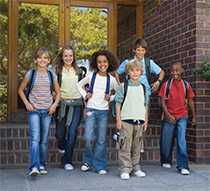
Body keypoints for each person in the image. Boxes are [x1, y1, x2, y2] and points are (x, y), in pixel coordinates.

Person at [18, 48, 60, 176]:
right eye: (40, 57)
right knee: (35, 139)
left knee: (44, 140)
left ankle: (42, 164)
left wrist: (54, 105)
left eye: (45, 58)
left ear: (48, 61)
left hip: (47, 111)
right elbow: (20, 90)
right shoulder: (30, 74)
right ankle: (34, 167)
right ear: (36, 60)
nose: (43, 60)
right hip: (34, 110)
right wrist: (27, 103)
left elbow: (58, 93)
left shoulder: (51, 74)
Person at [77, 50, 119, 175]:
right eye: (99, 62)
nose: (102, 64)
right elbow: (79, 85)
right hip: (91, 110)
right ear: (96, 64)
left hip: (103, 112)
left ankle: (99, 165)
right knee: (88, 137)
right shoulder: (91, 76)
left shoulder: (111, 79)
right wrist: (85, 95)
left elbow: (119, 92)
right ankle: (87, 161)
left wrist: (110, 98)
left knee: (101, 139)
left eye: (104, 62)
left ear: (108, 63)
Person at [159, 62, 196, 175]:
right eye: (173, 71)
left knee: (181, 140)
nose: (175, 73)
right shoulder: (167, 85)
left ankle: (183, 165)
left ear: (181, 71)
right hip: (169, 115)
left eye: (177, 70)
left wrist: (193, 116)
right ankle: (166, 159)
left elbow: (190, 101)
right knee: (166, 140)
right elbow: (162, 102)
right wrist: (168, 115)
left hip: (182, 116)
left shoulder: (186, 85)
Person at [115, 60, 149, 180]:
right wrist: (118, 119)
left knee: (137, 145)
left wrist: (146, 120)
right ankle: (125, 168)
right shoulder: (123, 86)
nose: (135, 73)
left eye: (137, 70)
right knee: (125, 145)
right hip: (126, 120)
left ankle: (136, 167)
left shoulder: (143, 88)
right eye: (132, 70)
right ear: (128, 72)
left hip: (139, 121)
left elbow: (145, 105)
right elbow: (118, 103)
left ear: (141, 72)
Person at [53, 46, 85, 170]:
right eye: (65, 55)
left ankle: (67, 161)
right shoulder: (57, 71)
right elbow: (52, 87)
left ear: (74, 56)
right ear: (62, 57)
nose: (68, 58)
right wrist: (53, 94)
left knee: (72, 132)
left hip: (76, 104)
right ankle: (62, 146)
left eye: (70, 55)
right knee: (60, 134)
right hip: (61, 104)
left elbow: (84, 87)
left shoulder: (80, 71)